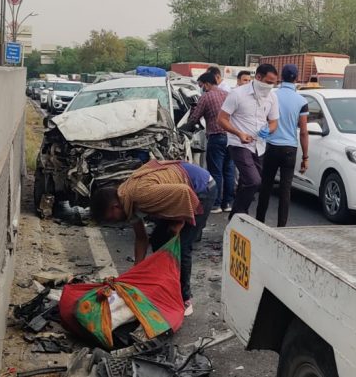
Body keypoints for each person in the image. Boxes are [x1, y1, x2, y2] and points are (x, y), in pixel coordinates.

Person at [89, 160, 216, 316]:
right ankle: (166, 285)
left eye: (109, 218)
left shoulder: (140, 195)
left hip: (200, 188)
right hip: (179, 191)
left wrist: (179, 222)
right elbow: (142, 238)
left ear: (114, 207)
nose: (111, 222)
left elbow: (184, 192)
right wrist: (135, 274)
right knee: (158, 240)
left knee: (181, 246)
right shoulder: (126, 200)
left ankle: (184, 299)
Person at [218, 64, 280, 219]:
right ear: (258, 77)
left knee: (248, 183)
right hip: (239, 144)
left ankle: (236, 216)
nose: (270, 86)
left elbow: (274, 122)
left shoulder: (272, 97)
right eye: (268, 81)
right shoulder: (238, 94)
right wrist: (238, 133)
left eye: (273, 83)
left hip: (259, 145)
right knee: (254, 181)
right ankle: (240, 214)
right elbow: (222, 119)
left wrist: (269, 129)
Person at [256, 64, 310, 227]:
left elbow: (264, 118)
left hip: (271, 145)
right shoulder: (302, 101)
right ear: (297, 78)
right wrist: (305, 157)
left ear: (281, 77)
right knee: (285, 190)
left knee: (265, 186)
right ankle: (281, 227)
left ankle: (260, 222)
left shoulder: (272, 95)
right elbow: (303, 131)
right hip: (289, 149)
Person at [185, 72, 235, 214]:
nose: (201, 88)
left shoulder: (206, 97)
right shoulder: (228, 94)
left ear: (206, 84)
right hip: (232, 137)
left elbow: (195, 118)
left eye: (201, 85)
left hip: (216, 137)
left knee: (216, 172)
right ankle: (228, 203)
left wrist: (182, 129)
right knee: (229, 171)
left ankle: (216, 204)